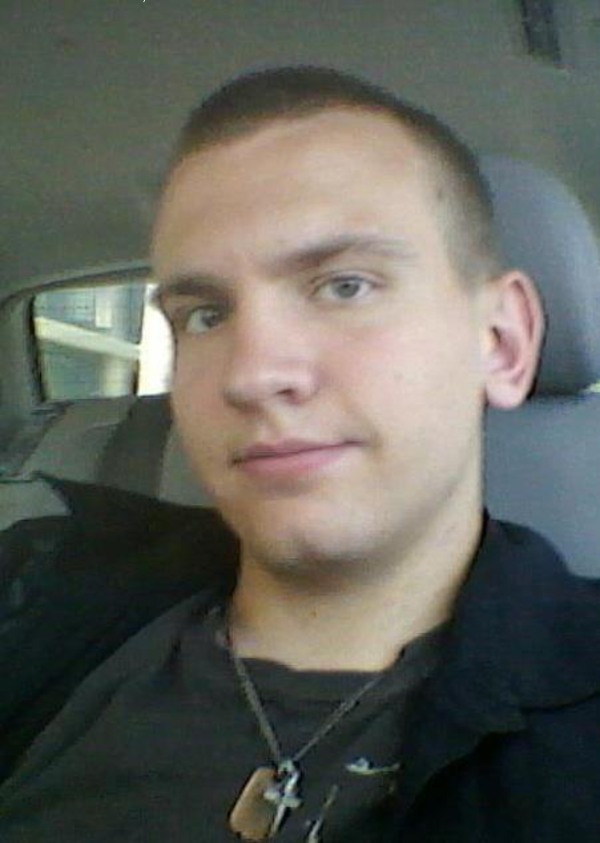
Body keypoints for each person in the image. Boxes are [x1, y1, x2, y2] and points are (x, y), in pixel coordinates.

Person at [1, 65, 600, 842]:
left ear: (501, 342)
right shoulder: (34, 589)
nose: (252, 375)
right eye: (206, 314)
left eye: (345, 285)